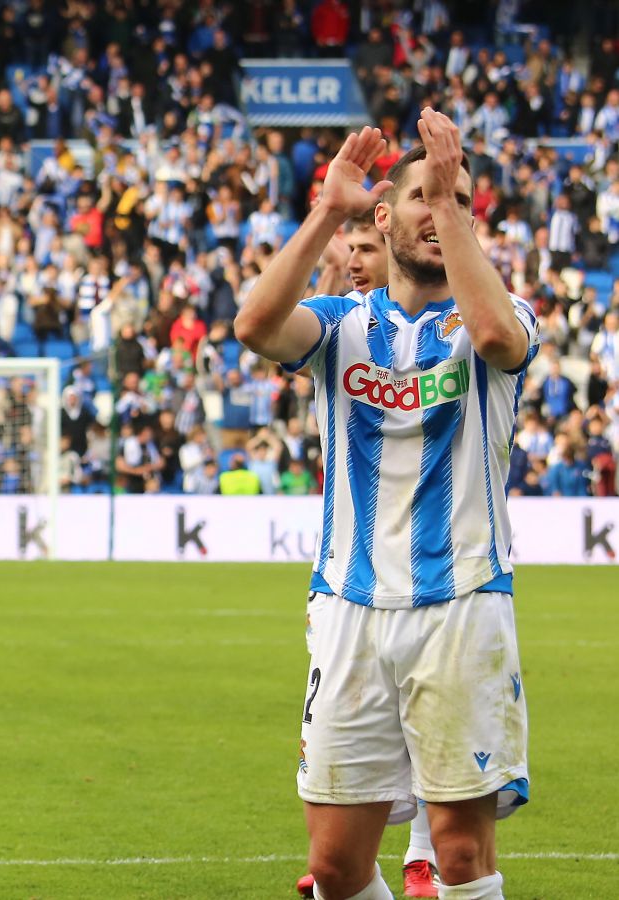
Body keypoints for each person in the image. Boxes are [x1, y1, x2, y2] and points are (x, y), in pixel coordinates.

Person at [234, 115, 533, 900]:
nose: (439, 209)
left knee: (461, 854)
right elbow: (256, 325)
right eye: (424, 197)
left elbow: (499, 334)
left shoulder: (499, 320)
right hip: (349, 609)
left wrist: (449, 205)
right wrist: (325, 211)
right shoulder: (341, 327)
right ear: (382, 216)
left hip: (462, 605)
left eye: (458, 199)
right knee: (335, 866)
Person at [299, 207, 445, 900]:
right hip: (345, 579)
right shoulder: (342, 329)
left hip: (440, 587)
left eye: (365, 246)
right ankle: (353, 856)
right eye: (347, 247)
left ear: (395, 244)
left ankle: (422, 855)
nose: (355, 258)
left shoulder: (452, 331)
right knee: (340, 755)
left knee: (429, 734)